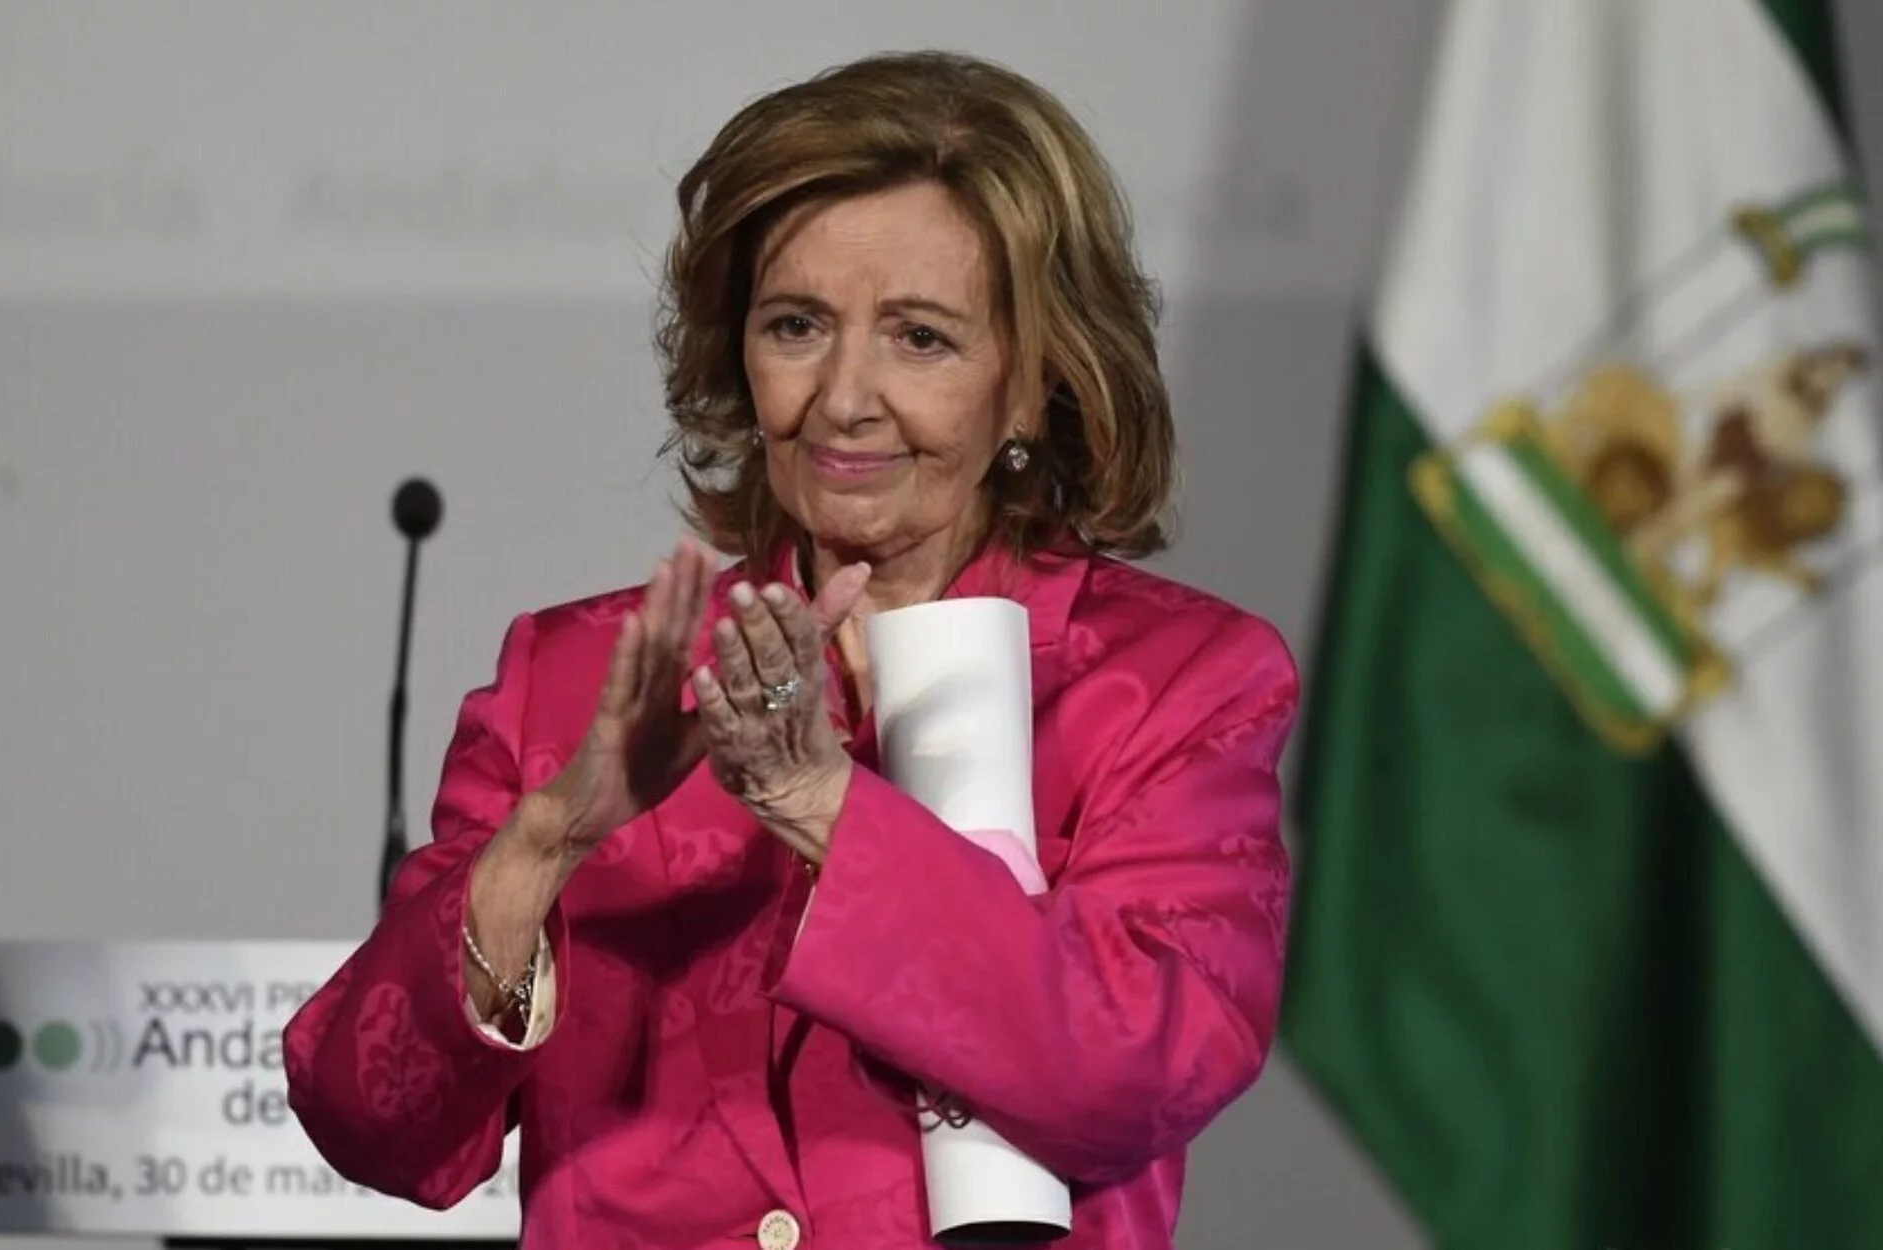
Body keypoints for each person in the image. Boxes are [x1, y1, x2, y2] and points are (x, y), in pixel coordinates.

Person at [283, 49, 1299, 1250]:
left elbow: (1137, 1070)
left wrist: (822, 803)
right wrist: (546, 839)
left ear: (1032, 385)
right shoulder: (577, 682)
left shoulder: (1173, 683)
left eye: (919, 337)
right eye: (796, 325)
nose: (842, 396)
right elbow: (369, 1118)